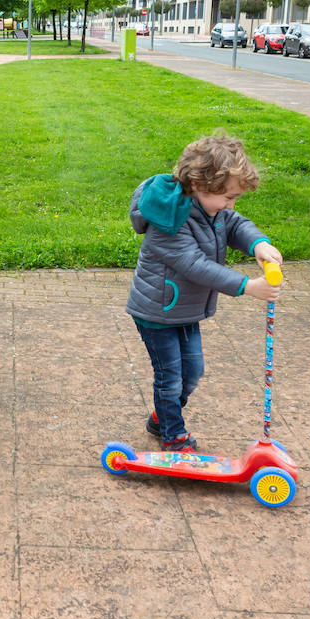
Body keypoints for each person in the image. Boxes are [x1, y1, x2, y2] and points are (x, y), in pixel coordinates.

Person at [127, 132, 283, 452]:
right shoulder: (168, 221)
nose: (230, 205)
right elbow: (194, 264)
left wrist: (258, 244)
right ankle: (173, 434)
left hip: (184, 309)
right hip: (158, 311)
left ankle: (161, 417)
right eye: (227, 197)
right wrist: (247, 286)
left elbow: (236, 224)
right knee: (170, 377)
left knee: (192, 373)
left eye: (234, 198)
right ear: (198, 185)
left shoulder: (212, 207)